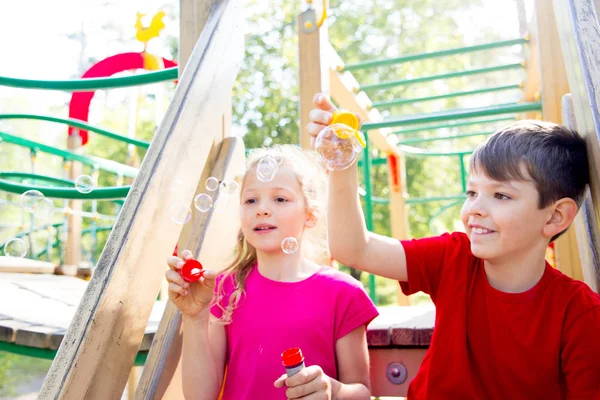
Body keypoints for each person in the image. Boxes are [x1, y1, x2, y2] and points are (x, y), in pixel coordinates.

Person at [306, 93, 600, 399]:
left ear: (554, 216)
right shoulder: (454, 258)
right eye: (471, 193)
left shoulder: (580, 317)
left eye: (501, 195)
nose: (475, 208)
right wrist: (343, 163)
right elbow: (354, 248)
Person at [165, 144, 378, 400]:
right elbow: (200, 396)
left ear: (310, 215)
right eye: (251, 200)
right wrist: (195, 318)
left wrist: (333, 391)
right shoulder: (222, 289)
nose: (261, 209)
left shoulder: (343, 292)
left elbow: (362, 392)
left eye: (280, 199)